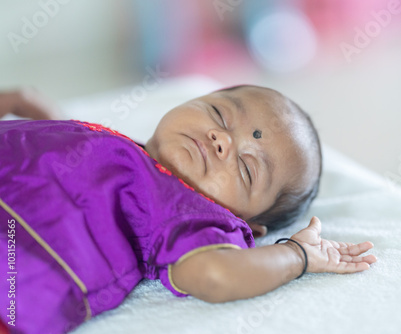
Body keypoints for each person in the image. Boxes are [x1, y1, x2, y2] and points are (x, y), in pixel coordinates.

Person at [0, 86, 377, 334]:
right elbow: (67, 155)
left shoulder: (189, 213)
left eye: (246, 168)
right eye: (219, 114)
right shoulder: (127, 150)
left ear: (243, 224)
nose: (222, 140)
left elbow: (216, 274)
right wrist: (26, 103)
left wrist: (297, 256)